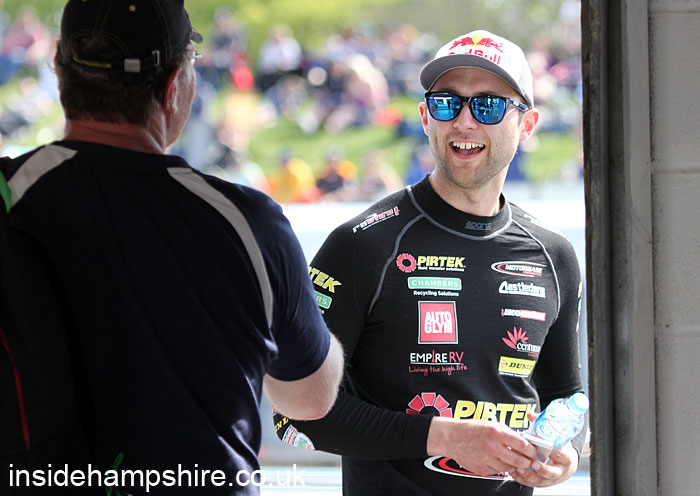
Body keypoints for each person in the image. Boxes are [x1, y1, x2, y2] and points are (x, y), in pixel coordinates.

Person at [0, 1, 343, 494]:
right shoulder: (248, 224)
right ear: (174, 85)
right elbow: (310, 400)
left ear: (58, 67)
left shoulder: (9, 198)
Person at [273, 30, 585, 495]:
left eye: (487, 105)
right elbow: (291, 415)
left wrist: (567, 453)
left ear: (527, 124)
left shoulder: (553, 254)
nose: (464, 121)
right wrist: (441, 437)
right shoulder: (363, 245)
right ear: (424, 117)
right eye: (446, 103)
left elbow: (566, 397)